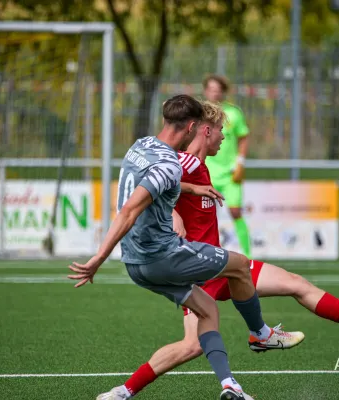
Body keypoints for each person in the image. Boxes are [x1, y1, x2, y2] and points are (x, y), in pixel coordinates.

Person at [97, 101, 339, 399]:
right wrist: (174, 215)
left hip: (216, 265)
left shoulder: (199, 167)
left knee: (293, 283)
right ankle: (254, 340)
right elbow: (155, 188)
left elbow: (173, 186)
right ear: (203, 130)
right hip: (195, 269)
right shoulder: (184, 163)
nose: (224, 137)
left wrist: (185, 196)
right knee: (192, 344)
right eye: (221, 130)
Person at [69, 94, 279, 400]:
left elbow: (155, 182)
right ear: (192, 127)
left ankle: (228, 387)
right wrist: (98, 258)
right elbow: (129, 210)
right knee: (239, 264)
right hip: (161, 256)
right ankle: (260, 333)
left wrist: (193, 188)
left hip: (135, 264)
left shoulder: (141, 146)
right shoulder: (170, 164)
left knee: (206, 312)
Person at [203, 74, 252, 258]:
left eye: (218, 89)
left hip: (230, 173)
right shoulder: (200, 113)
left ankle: (247, 254)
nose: (214, 93)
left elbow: (243, 137)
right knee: (205, 214)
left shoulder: (233, 113)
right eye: (211, 89)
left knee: (235, 211)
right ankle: (208, 252)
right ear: (205, 91)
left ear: (223, 92)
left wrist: (240, 162)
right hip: (207, 172)